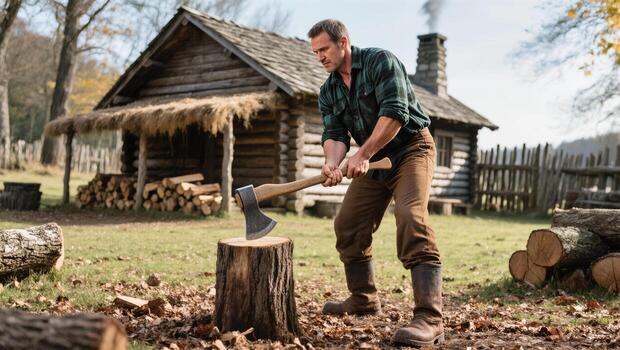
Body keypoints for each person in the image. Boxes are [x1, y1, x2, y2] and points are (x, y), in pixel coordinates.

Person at [307, 19, 444, 347]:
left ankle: (430, 318)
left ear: (343, 43)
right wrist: (331, 162)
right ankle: (363, 299)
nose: (320, 57)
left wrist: (363, 153)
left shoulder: (381, 61)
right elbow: (335, 134)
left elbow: (395, 113)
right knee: (348, 224)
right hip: (373, 163)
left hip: (410, 149)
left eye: (324, 49)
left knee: (411, 217)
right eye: (315, 52)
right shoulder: (329, 89)